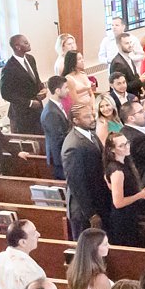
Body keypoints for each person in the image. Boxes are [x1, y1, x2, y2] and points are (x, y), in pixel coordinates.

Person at [62, 100, 109, 237]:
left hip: (99, 200)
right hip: (85, 211)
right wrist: (91, 214)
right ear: (76, 120)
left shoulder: (91, 135)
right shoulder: (73, 146)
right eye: (87, 116)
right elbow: (77, 184)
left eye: (92, 115)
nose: (93, 118)